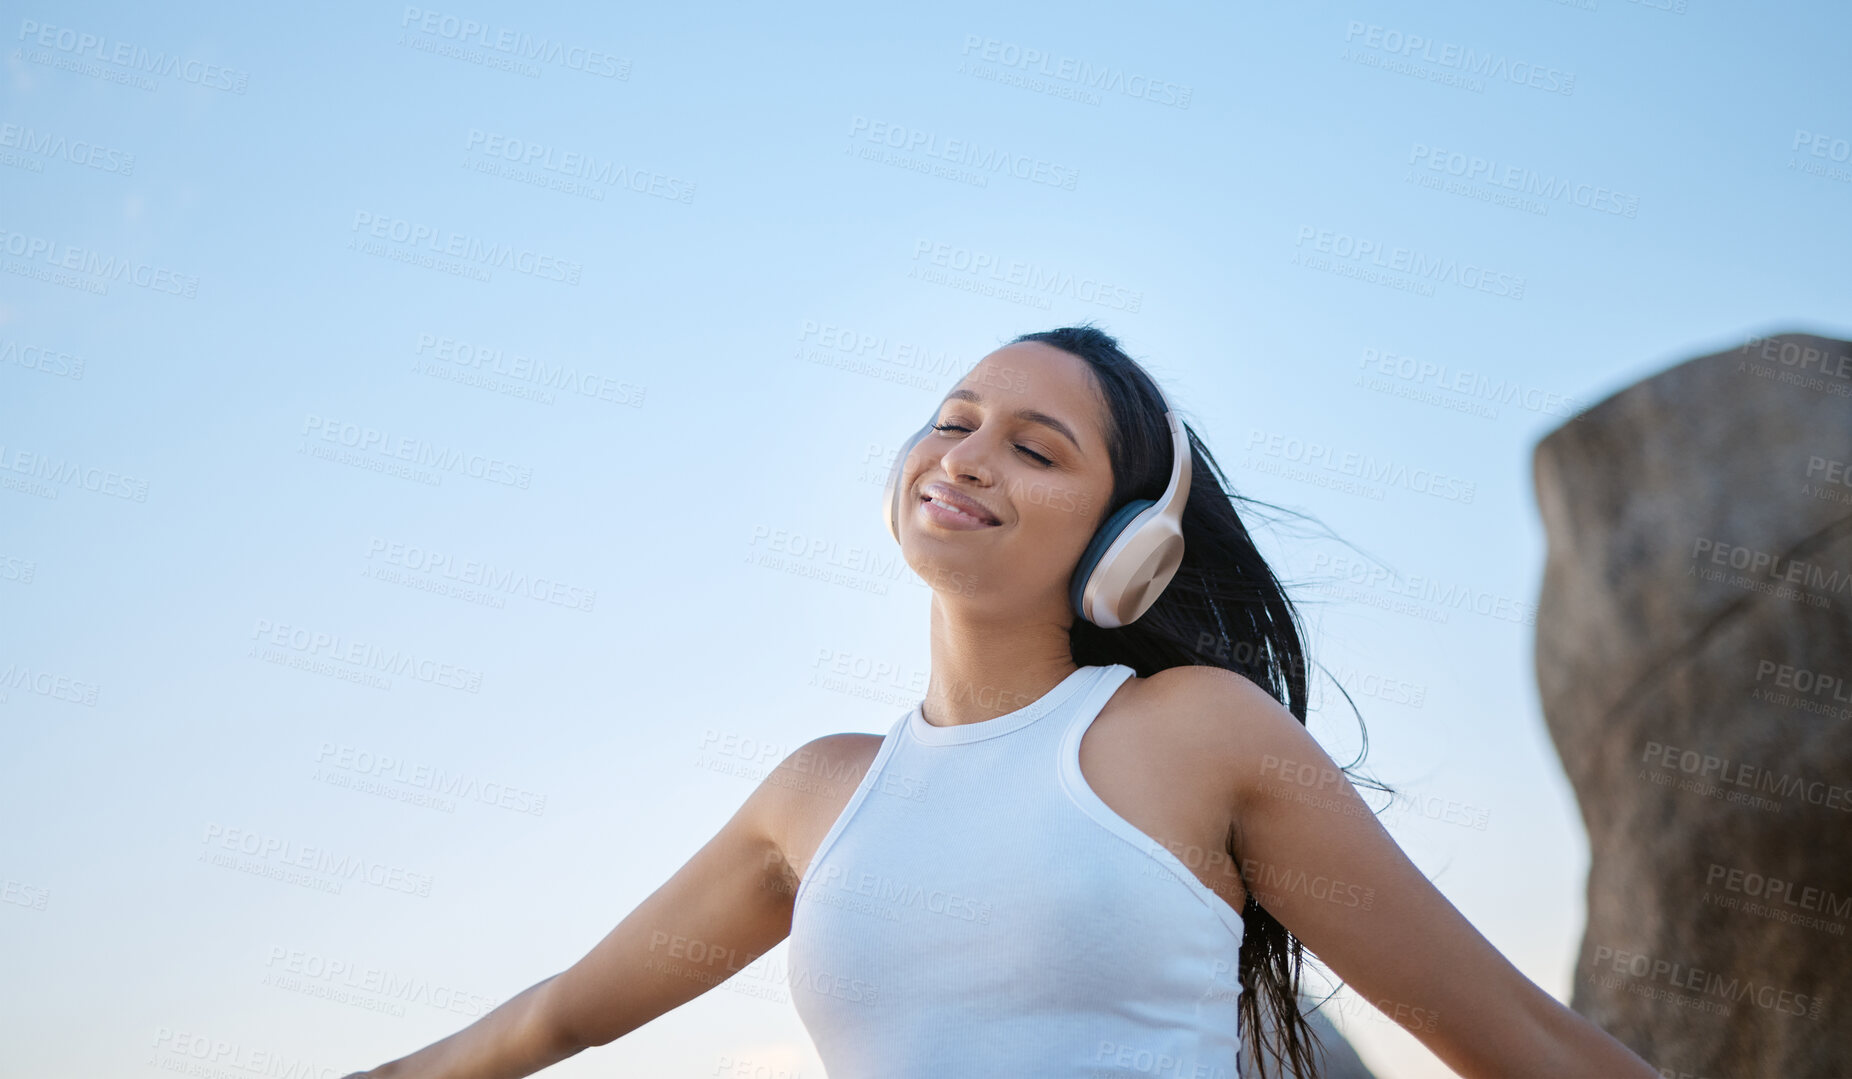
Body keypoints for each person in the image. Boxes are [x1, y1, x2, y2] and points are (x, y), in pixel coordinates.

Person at [343, 325, 1659, 1079]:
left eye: (1036, 449)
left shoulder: (1196, 734)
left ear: (1130, 541)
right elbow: (553, 1017)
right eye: (954, 419)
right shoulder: (817, 794)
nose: (968, 455)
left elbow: (1513, 1037)